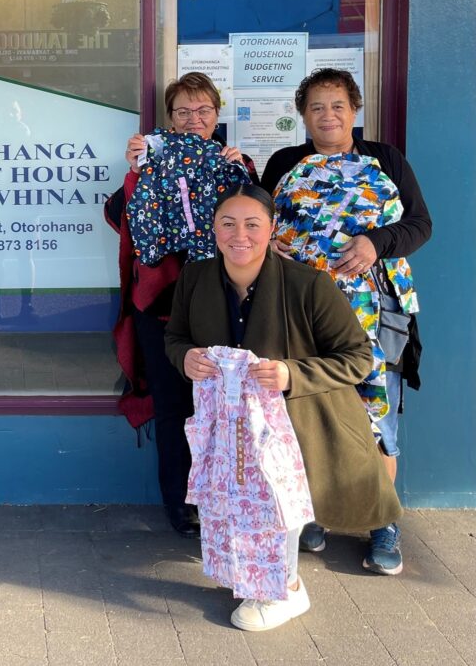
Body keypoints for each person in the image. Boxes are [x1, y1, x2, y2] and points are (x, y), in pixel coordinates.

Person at [165, 184, 401, 632]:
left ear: (271, 228)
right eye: (228, 223)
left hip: (294, 424)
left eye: (253, 224)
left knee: (279, 506)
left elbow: (356, 356)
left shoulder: (308, 284)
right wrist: (185, 357)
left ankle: (286, 590)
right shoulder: (194, 279)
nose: (240, 235)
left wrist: (293, 375)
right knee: (233, 506)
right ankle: (252, 580)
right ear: (213, 229)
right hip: (226, 425)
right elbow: (175, 337)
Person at [261, 68, 431, 574]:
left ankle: (383, 524)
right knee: (308, 413)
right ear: (303, 114)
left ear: (354, 110)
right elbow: (263, 221)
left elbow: (420, 225)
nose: (327, 115)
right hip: (305, 313)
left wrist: (373, 243)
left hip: (376, 313)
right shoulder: (285, 162)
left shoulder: (386, 160)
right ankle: (312, 513)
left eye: (336, 105)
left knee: (378, 421)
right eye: (316, 107)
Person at [103, 71, 257, 538]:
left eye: (203, 111)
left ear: (216, 116)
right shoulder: (151, 159)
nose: (194, 119)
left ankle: (227, 496)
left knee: (227, 407)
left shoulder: (237, 163)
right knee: (175, 407)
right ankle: (181, 501)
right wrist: (135, 170)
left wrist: (242, 175)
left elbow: (259, 224)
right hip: (163, 304)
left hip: (222, 305)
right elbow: (118, 215)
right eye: (183, 112)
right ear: (169, 119)